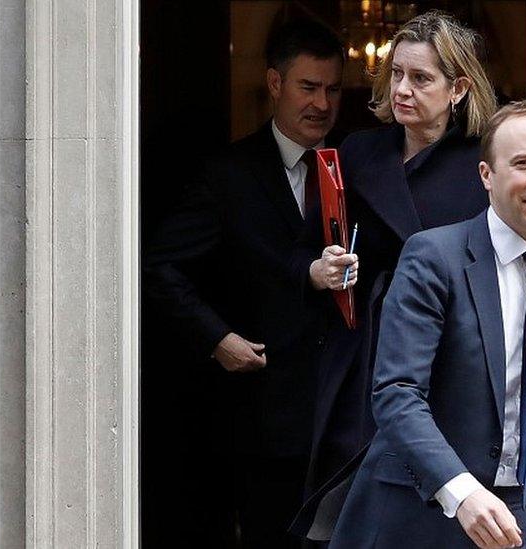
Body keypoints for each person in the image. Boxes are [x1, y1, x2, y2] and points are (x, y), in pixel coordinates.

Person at [328, 100, 526, 549]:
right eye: (524, 164)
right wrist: (463, 491)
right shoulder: (433, 258)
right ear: (486, 176)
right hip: (433, 517)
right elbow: (396, 393)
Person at [143, 17, 355, 548]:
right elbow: (160, 267)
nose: (322, 104)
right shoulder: (228, 175)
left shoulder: (356, 166)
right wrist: (216, 339)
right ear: (276, 84)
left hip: (347, 416)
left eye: (332, 89)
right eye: (308, 87)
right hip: (265, 419)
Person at [291, 10, 499, 543]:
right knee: (346, 502)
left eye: (421, 78)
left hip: (450, 354)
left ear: (458, 88)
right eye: (397, 74)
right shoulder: (358, 152)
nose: (403, 89)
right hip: (361, 349)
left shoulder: (484, 165)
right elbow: (308, 249)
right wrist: (321, 272)